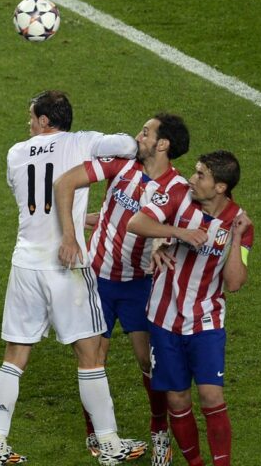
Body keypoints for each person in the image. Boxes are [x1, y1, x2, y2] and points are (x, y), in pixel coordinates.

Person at [0, 90, 146, 466]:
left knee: (14, 357)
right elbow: (129, 146)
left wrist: (76, 219)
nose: (28, 123)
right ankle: (109, 444)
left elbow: (32, 201)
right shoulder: (84, 142)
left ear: (43, 120)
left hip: (25, 263)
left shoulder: (15, 153)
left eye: (31, 117)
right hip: (66, 264)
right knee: (89, 356)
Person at [54, 113, 190, 465]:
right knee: (92, 360)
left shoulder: (178, 189)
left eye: (145, 133)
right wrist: (80, 225)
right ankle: (98, 436)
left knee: (149, 362)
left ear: (163, 144)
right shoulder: (122, 164)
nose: (137, 136)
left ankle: (159, 431)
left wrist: (163, 247)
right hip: (96, 278)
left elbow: (182, 234)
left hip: (138, 286)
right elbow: (69, 181)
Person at [127, 150, 253, 466]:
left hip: (205, 321)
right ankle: (195, 463)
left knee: (212, 396)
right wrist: (174, 233)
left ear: (220, 187)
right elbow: (137, 222)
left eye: (201, 175)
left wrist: (236, 239)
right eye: (195, 172)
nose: (193, 179)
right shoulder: (179, 196)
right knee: (178, 399)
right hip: (164, 318)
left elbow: (235, 282)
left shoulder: (239, 222)